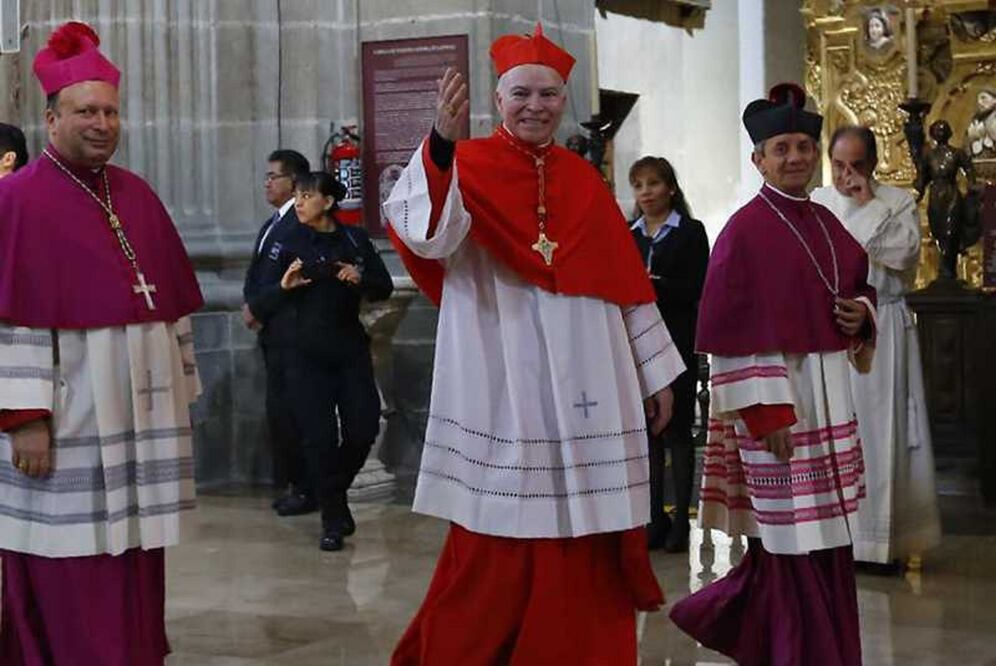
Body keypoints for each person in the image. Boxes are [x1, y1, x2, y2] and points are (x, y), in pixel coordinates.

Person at [383, 24, 685, 664]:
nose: (535, 106)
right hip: (503, 368)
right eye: (522, 92)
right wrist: (440, 141)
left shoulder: (583, 180)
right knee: (502, 527)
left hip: (590, 377)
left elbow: (624, 285)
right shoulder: (463, 166)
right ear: (498, 97)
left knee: (586, 525)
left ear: (563, 100)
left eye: (549, 94)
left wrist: (656, 373)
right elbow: (426, 233)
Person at [0, 21, 203, 664]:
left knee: (137, 552)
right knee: (69, 557)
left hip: (142, 419)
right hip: (71, 420)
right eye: (86, 110)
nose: (102, 123)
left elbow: (167, 303)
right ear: (52, 115)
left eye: (111, 110)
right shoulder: (16, 200)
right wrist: (24, 417)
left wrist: (183, 387)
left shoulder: (137, 195)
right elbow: (13, 320)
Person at [669, 83, 877, 666]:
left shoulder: (826, 222)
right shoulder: (744, 230)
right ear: (758, 159)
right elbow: (732, 330)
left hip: (829, 400)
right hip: (780, 412)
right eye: (781, 148)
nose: (795, 157)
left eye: (804, 146)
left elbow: (861, 285)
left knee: (827, 542)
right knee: (788, 546)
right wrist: (764, 415)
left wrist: (861, 314)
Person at [812, 125, 941, 568]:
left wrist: (868, 204)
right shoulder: (820, 202)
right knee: (836, 429)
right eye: (840, 165)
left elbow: (903, 255)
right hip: (832, 328)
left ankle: (880, 543)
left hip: (881, 323)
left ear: (874, 163)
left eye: (857, 165)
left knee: (879, 431)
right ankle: (837, 535)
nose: (848, 175)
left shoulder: (896, 201)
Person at [248, 171, 392, 551]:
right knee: (320, 439)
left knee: (363, 428)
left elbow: (384, 287)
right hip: (302, 353)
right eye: (296, 196)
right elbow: (258, 302)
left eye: (307, 196)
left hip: (348, 350)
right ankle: (332, 518)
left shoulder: (354, 239)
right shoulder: (285, 241)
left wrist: (358, 276)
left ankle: (332, 495)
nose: (298, 203)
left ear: (328, 202)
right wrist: (284, 286)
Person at [628, 156, 709, 552]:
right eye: (639, 185)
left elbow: (698, 287)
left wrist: (654, 286)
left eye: (653, 184)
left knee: (676, 430)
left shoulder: (690, 232)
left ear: (670, 188)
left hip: (677, 337)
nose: (645, 192)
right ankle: (653, 516)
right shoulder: (630, 234)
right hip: (638, 341)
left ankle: (681, 520)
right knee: (647, 433)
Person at [243, 149, 315, 516]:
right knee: (280, 413)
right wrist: (250, 303)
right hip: (273, 333)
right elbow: (258, 273)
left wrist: (258, 307)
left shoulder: (300, 225)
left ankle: (306, 488)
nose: (267, 183)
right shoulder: (273, 223)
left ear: (294, 183)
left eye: (274, 176)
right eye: (266, 176)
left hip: (293, 334)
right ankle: (294, 483)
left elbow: (294, 282)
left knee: (295, 413)